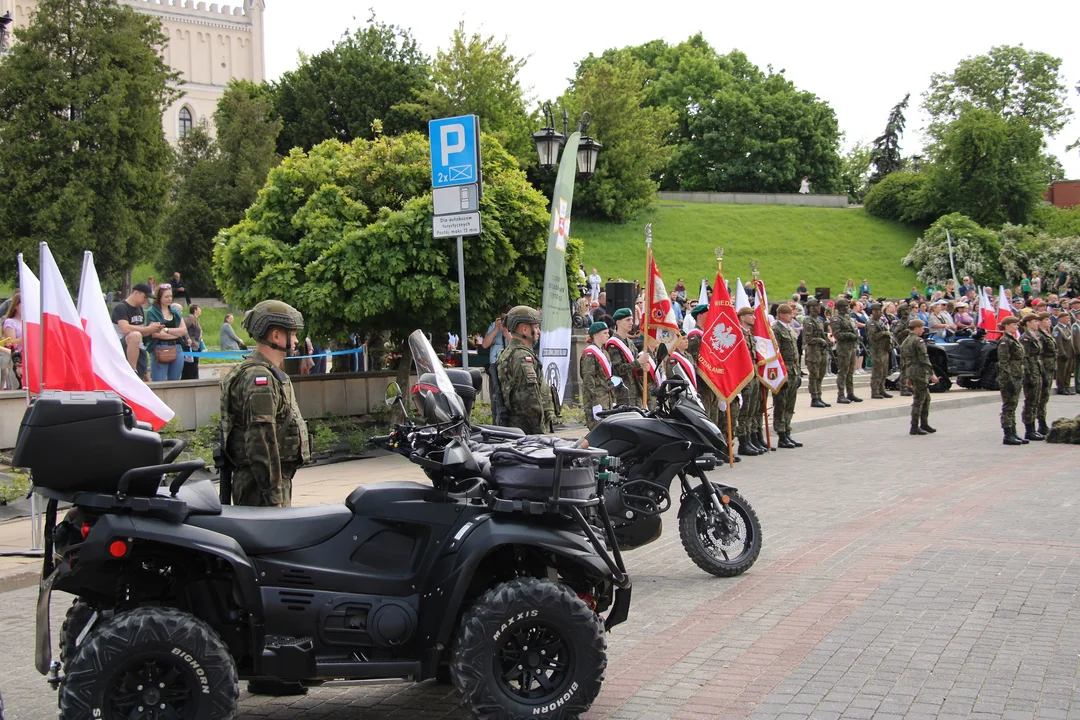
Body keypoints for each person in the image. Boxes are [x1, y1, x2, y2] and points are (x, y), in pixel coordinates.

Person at [497, 305, 555, 435]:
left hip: (521, 429)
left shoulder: (510, 352)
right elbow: (530, 399)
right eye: (535, 327)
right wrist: (540, 432)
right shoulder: (522, 357)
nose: (539, 331)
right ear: (524, 329)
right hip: (528, 431)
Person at [112, 282, 161, 379]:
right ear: (136, 293)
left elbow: (142, 331)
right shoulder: (121, 307)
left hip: (138, 347)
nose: (146, 300)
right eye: (145, 297)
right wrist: (147, 329)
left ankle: (137, 373)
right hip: (122, 344)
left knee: (137, 335)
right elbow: (125, 328)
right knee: (135, 335)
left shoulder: (139, 308)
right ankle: (132, 370)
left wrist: (153, 329)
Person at [605, 307, 650, 407]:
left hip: (636, 392)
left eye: (632, 320)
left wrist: (642, 367)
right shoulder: (613, 345)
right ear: (618, 322)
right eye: (627, 320)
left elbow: (635, 365)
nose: (631, 323)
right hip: (623, 393)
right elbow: (618, 370)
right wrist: (638, 363)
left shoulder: (630, 343)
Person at [772, 304, 802, 448]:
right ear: (781, 315)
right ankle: (781, 434)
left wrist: (798, 372)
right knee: (781, 404)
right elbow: (776, 353)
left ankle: (787, 431)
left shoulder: (789, 329)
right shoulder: (776, 329)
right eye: (789, 314)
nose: (792, 316)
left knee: (790, 404)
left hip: (793, 370)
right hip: (783, 371)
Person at [900, 319, 936, 436]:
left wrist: (906, 375)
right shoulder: (918, 341)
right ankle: (914, 426)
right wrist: (932, 374)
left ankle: (924, 423)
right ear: (916, 328)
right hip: (919, 372)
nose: (922, 330)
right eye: (921, 328)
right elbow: (924, 359)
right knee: (919, 400)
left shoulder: (905, 341)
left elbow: (904, 361)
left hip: (911, 371)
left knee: (926, 398)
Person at [736, 307, 764, 457]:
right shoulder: (739, 334)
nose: (754, 317)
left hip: (753, 373)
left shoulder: (749, 333)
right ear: (742, 317)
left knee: (753, 408)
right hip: (745, 375)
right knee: (745, 409)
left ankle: (751, 437)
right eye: (750, 315)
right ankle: (743, 441)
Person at [146, 285, 188, 381]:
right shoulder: (152, 312)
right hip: (160, 348)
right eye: (166, 297)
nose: (169, 299)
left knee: (175, 380)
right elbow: (156, 334)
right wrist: (176, 333)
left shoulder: (175, 311)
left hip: (177, 347)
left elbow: (184, 331)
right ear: (159, 297)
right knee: (159, 380)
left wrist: (167, 330)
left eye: (171, 296)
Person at [996, 316, 1027, 446]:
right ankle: (1008, 434)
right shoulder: (1004, 341)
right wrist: (1008, 380)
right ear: (1007, 325)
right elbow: (1003, 362)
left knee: (1013, 405)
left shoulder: (1012, 339)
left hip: (1016, 374)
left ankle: (1013, 432)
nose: (1016, 326)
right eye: (1014, 324)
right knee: (1008, 406)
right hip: (1009, 377)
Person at [580, 322, 616, 429]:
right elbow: (588, 380)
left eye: (608, 333)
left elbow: (609, 378)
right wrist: (595, 403)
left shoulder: (605, 353)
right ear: (595, 335)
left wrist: (613, 399)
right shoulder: (590, 354)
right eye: (605, 333)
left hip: (607, 399)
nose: (608, 335)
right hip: (597, 400)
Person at [482, 306, 511, 426]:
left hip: (508, 365)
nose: (504, 321)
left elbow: (515, 342)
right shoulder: (493, 326)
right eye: (502, 318)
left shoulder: (514, 327)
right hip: (495, 365)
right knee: (495, 395)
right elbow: (485, 344)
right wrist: (496, 329)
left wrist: (505, 331)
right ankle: (496, 422)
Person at [1019, 314, 1045, 441]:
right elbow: (1025, 358)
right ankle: (1029, 429)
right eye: (1035, 321)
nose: (1037, 323)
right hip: (1031, 371)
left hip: (1037, 369)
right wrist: (1028, 375)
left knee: (1036, 400)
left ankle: (1033, 428)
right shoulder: (1025, 338)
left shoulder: (1035, 336)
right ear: (1028, 322)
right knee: (1030, 400)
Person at [830, 297, 861, 404]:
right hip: (843, 348)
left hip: (851, 347)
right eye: (845, 306)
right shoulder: (836, 319)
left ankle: (850, 393)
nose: (847, 308)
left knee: (850, 371)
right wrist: (850, 335)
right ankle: (841, 394)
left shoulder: (848, 319)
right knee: (843, 371)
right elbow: (837, 334)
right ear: (840, 308)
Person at [802, 297, 831, 408]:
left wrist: (826, 340)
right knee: (814, 375)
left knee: (820, 375)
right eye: (816, 306)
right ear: (811, 308)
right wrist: (820, 340)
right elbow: (807, 339)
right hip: (813, 352)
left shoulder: (819, 320)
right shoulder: (808, 321)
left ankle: (819, 396)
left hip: (821, 351)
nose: (819, 308)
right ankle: (814, 398)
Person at [866, 303, 893, 399]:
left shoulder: (880, 322)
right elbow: (872, 337)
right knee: (877, 371)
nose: (880, 313)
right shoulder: (872, 323)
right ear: (873, 312)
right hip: (877, 350)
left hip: (884, 349)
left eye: (881, 311)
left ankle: (882, 389)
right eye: (878, 311)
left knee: (884, 371)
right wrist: (883, 333)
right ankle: (875, 390)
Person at [1036, 312, 1055, 436]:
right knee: (1041, 397)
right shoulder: (1039, 335)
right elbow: (1039, 354)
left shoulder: (1047, 334)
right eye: (1046, 319)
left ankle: (1042, 423)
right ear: (1040, 322)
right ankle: (1040, 424)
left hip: (1049, 368)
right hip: (1043, 368)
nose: (1049, 321)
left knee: (1045, 397)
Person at [0, 292, 21, 390]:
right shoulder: (10, 322)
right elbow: (12, 344)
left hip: (31, 357)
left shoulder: (28, 321)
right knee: (18, 386)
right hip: (17, 359)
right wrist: (27, 336)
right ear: (16, 306)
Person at [1054, 306, 1075, 396]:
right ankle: (1061, 387)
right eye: (1066, 318)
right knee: (1062, 371)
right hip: (1063, 353)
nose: (1068, 319)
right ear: (1061, 318)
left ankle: (1067, 387)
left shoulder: (1067, 328)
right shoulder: (1058, 329)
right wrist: (1061, 353)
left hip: (1070, 353)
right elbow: (1058, 342)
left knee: (1068, 371)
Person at [180, 304, 204, 380]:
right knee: (191, 366)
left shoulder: (195, 319)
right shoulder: (190, 318)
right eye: (199, 309)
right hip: (191, 346)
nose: (200, 311)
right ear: (195, 310)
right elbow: (183, 327)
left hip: (195, 346)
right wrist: (187, 338)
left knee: (193, 365)